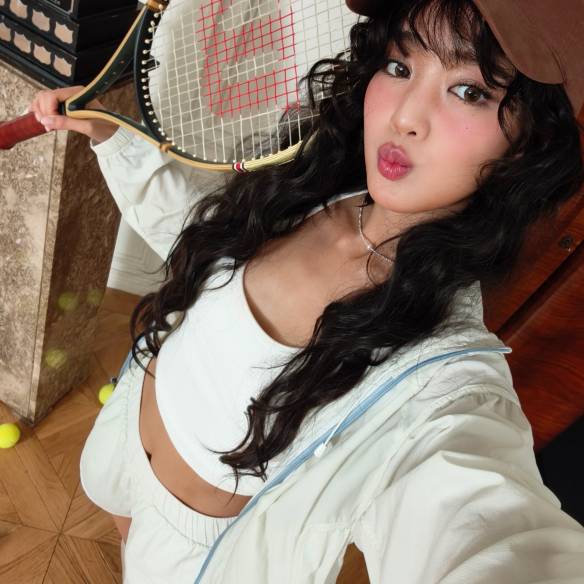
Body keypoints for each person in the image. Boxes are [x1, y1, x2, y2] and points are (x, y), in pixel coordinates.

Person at [29, 0, 584, 582]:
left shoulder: (439, 374)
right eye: (399, 65)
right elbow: (197, 245)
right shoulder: (315, 188)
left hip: (186, 552)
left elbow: (484, 525)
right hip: (125, 428)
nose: (404, 116)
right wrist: (110, 137)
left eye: (469, 91)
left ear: (529, 141)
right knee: (119, 521)